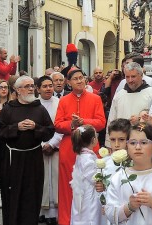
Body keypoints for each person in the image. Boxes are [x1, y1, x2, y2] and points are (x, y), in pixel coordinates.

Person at [0, 75, 55, 225]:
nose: (30, 89)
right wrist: (16, 128)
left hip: (34, 159)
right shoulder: (9, 109)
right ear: (18, 90)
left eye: (32, 86)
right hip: (13, 160)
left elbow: (49, 131)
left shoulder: (39, 108)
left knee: (31, 196)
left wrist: (36, 128)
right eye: (27, 86)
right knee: (13, 196)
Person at [54, 67, 106, 225]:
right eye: (75, 79)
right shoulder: (63, 100)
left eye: (81, 77)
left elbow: (101, 123)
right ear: (68, 83)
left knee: (91, 186)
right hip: (69, 149)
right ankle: (66, 220)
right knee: (68, 187)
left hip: (90, 149)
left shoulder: (95, 99)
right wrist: (72, 124)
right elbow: (57, 124)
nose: (79, 81)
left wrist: (83, 122)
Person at [105, 123, 152, 225]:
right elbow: (110, 213)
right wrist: (129, 207)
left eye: (144, 142)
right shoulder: (119, 178)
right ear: (127, 147)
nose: (137, 147)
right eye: (132, 143)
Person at [105, 62, 152, 147]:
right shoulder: (119, 95)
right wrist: (109, 144)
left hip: (143, 144)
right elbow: (111, 120)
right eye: (127, 77)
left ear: (141, 75)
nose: (130, 80)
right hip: (121, 144)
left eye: (133, 76)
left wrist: (141, 120)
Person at [37, 76, 63, 225]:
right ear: (38, 88)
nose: (48, 89)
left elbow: (61, 126)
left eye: (50, 86)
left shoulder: (60, 103)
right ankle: (41, 212)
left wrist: (52, 144)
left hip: (56, 147)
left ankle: (55, 214)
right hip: (38, 149)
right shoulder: (33, 105)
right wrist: (41, 145)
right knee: (42, 179)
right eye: (45, 86)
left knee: (55, 180)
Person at [70, 125, 103, 224]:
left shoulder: (82, 154)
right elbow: (94, 178)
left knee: (81, 216)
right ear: (93, 140)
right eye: (96, 135)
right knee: (89, 216)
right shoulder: (87, 158)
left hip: (82, 191)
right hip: (88, 193)